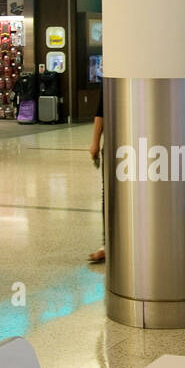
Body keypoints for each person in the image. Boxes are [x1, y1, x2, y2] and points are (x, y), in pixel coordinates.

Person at [88, 87, 105, 264]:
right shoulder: (111, 79)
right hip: (116, 145)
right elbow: (101, 111)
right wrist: (95, 143)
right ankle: (107, 244)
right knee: (107, 195)